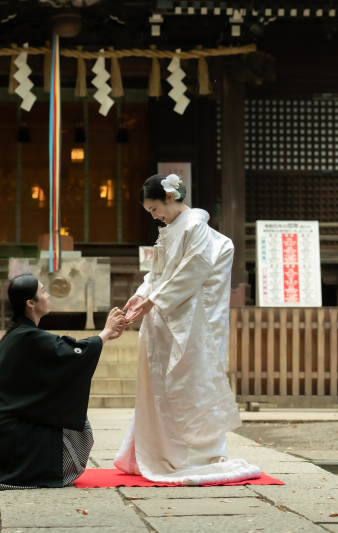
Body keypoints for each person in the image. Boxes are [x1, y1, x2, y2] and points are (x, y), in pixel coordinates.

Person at [114, 174, 261, 485]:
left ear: (170, 197)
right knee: (161, 384)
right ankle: (158, 449)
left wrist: (153, 300)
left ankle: (191, 455)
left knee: (186, 383)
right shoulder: (172, 229)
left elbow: (192, 271)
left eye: (154, 209)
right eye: (149, 212)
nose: (154, 216)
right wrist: (143, 293)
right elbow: (159, 272)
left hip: (189, 318)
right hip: (169, 315)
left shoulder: (194, 227)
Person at [0, 274, 126, 492]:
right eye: (43, 291)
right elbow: (71, 353)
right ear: (30, 303)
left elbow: (58, 358)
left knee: (64, 406)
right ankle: (49, 468)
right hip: (9, 437)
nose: (47, 295)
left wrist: (106, 336)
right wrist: (106, 331)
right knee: (71, 415)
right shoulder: (26, 337)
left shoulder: (17, 334)